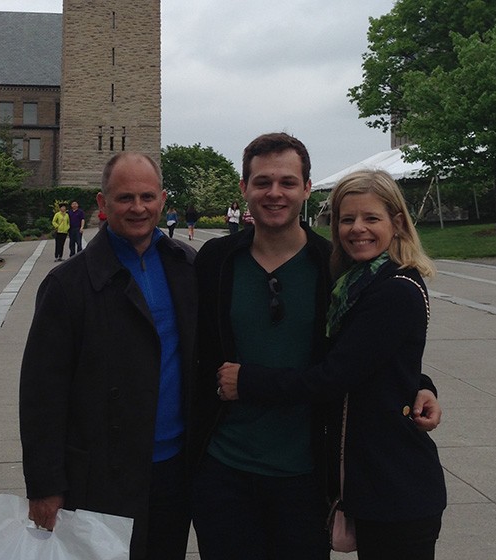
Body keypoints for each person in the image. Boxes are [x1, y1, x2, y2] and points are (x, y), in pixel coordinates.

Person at [191, 133, 441, 560]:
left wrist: (420, 384)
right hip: (224, 469)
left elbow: (360, 355)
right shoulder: (215, 262)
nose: (275, 193)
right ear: (244, 188)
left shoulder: (335, 268)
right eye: (262, 182)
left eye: (288, 182)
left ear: (307, 189)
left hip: (307, 473)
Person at [20, 152, 198, 560]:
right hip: (100, 476)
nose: (138, 208)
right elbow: (41, 394)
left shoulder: (184, 266)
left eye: (148, 197)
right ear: (103, 204)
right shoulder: (67, 285)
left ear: (163, 200)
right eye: (125, 198)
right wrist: (45, 485)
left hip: (173, 469)